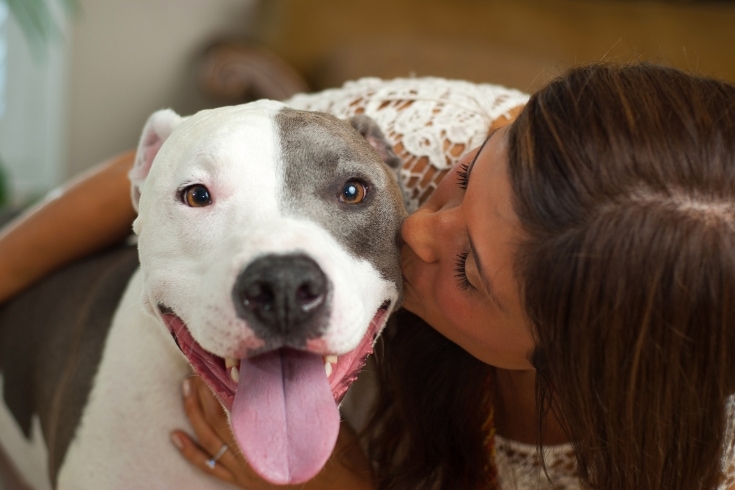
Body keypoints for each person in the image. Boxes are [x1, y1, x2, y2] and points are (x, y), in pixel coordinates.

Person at [1, 62, 734, 489]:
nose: (413, 227)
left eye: (467, 270)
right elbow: (180, 158)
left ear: (586, 364)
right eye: (462, 177)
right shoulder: (425, 133)